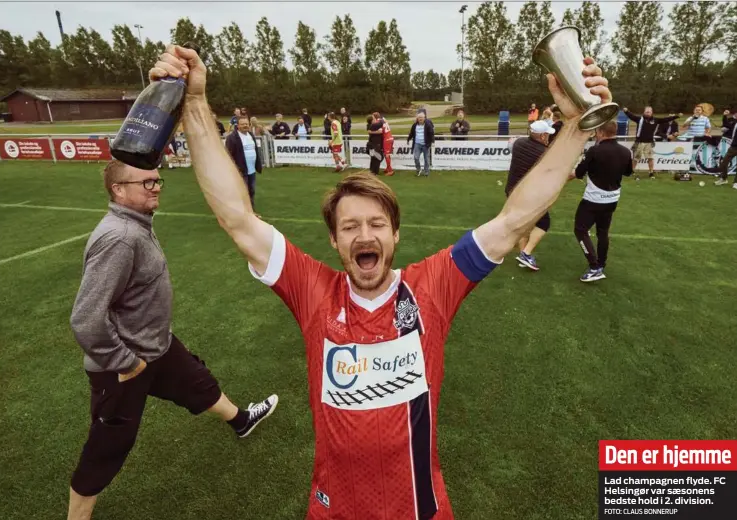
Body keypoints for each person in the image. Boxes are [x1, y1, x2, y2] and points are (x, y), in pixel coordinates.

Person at [150, 43, 610, 519]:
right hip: (333, 510)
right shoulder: (313, 291)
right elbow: (237, 218)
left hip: (419, 508)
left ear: (395, 234)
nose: (363, 235)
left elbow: (515, 219)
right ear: (333, 239)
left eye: (376, 224)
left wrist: (577, 127)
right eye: (350, 227)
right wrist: (196, 103)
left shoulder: (433, 285)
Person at [67, 160, 278, 520]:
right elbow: (86, 318)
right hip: (123, 365)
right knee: (108, 447)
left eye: (157, 180)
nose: (156, 187)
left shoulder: (137, 224)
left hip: (157, 347)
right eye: (146, 182)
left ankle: (241, 421)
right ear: (119, 190)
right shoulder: (118, 237)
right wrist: (127, 363)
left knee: (199, 382)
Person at [570, 120, 633, 283]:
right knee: (602, 232)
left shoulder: (594, 150)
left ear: (602, 133)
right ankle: (600, 265)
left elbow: (578, 173)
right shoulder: (625, 151)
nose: (596, 134)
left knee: (580, 230)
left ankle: (595, 267)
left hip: (593, 199)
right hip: (612, 199)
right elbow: (628, 173)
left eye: (597, 132)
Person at [505, 120, 556, 271]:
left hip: (511, 191)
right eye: (546, 134)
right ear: (541, 136)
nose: (548, 137)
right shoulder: (543, 153)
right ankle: (526, 254)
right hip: (528, 195)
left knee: (523, 224)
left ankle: (523, 255)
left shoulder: (519, 143)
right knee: (544, 223)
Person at [622, 106, 679, 180]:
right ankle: (632, 171)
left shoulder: (655, 120)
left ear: (652, 112)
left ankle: (651, 172)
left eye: (649, 111)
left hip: (649, 142)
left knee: (650, 158)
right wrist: (626, 111)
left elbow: (665, 119)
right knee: (636, 158)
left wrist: (676, 116)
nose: (647, 113)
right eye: (646, 111)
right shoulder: (639, 119)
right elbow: (631, 116)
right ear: (644, 112)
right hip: (639, 142)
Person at [226, 116, 262, 212]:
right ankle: (243, 212)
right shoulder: (232, 138)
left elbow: (255, 151)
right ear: (237, 126)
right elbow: (229, 155)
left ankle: (251, 211)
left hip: (252, 170)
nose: (245, 125)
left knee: (251, 192)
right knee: (242, 193)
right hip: (241, 171)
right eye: (242, 124)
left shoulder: (250, 135)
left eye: (246, 124)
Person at [407, 112, 435, 177]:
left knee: (426, 159)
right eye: (419, 117)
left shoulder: (428, 125)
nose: (420, 119)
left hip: (426, 144)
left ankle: (426, 171)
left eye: (422, 117)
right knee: (416, 157)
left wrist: (433, 142)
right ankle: (418, 169)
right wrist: (408, 139)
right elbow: (411, 133)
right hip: (417, 144)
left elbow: (431, 134)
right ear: (417, 118)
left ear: (424, 118)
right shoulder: (414, 125)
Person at [715, 109, 737, 187]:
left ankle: (735, 183)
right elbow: (726, 124)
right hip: (733, 147)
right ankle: (724, 179)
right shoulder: (734, 123)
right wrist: (724, 116)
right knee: (724, 163)